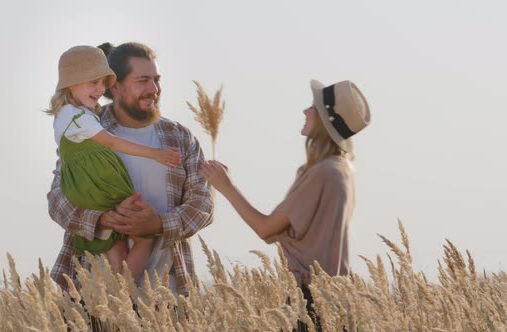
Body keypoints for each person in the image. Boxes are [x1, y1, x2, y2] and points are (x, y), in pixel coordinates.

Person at [199, 79, 371, 330]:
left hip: (312, 299)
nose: (305, 111)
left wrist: (226, 186)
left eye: (314, 107)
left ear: (326, 121)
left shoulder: (323, 173)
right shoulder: (342, 169)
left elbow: (266, 229)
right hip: (334, 298)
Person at [47, 42, 214, 296]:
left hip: (166, 296)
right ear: (115, 86)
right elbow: (58, 199)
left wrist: (157, 223)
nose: (154, 89)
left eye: (157, 80)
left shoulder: (179, 137)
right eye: (143, 81)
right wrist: (102, 219)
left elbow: (203, 206)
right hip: (94, 296)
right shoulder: (85, 129)